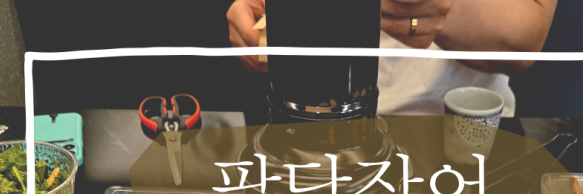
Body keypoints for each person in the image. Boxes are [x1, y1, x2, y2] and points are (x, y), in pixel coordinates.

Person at [227, 0, 558, 117]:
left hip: (447, 136)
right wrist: (267, 16)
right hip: (307, 126)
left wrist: (442, 10)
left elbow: (526, 40)